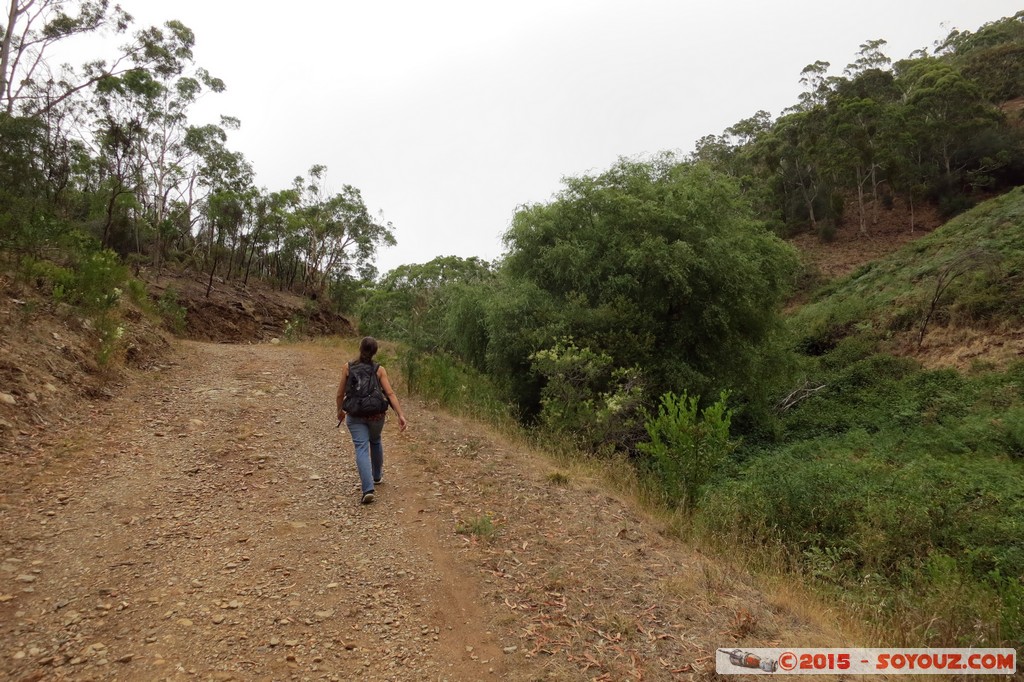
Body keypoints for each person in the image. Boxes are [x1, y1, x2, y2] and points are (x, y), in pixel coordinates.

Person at [336, 337, 408, 504]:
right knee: (375, 441)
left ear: (360, 349)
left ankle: (368, 489)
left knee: (361, 448)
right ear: (375, 351)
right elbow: (389, 394)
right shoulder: (379, 369)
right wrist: (400, 415)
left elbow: (340, 394)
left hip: (355, 415)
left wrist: (340, 411)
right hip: (376, 415)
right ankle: (376, 476)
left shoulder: (348, 367)